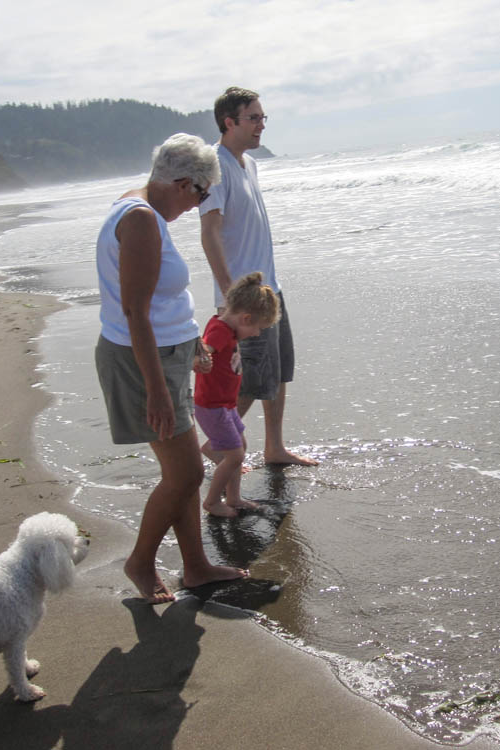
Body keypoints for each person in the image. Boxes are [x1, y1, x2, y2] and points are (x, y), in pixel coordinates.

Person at [94, 133, 247, 604]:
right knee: (184, 475)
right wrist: (157, 391)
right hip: (145, 365)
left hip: (167, 357)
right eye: (200, 195)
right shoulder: (140, 221)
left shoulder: (143, 209)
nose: (199, 204)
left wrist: (193, 342)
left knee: (185, 475)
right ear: (183, 183)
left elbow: (160, 303)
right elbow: (135, 312)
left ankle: (196, 567)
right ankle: (140, 561)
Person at [199, 86, 318, 467]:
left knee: (278, 371)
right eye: (253, 118)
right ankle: (216, 443)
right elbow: (210, 232)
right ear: (228, 121)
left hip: (269, 289)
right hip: (242, 299)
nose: (261, 125)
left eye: (263, 118)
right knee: (249, 379)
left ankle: (275, 448)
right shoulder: (215, 166)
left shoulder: (249, 164)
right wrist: (230, 295)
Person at [194, 272, 280, 517]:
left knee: (240, 446)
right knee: (234, 456)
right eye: (257, 328)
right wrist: (203, 355)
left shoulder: (225, 327)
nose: (256, 334)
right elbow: (208, 345)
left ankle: (233, 497)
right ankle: (212, 502)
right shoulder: (221, 331)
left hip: (225, 405)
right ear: (245, 318)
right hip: (213, 406)